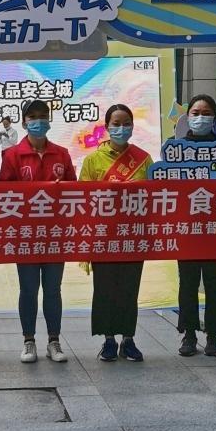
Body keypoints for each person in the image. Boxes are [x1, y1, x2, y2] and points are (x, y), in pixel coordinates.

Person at [0, 99, 76, 363]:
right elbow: (4, 194)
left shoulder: (62, 154)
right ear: (24, 122)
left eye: (43, 116)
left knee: (53, 289)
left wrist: (63, 188)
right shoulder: (12, 156)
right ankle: (28, 341)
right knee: (28, 289)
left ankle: (54, 341)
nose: (39, 121)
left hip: (55, 234)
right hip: (26, 235)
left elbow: (75, 191)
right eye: (33, 117)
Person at [80, 104, 152, 362]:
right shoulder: (93, 160)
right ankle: (109, 340)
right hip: (103, 235)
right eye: (116, 123)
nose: (121, 128)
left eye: (126, 123)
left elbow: (154, 195)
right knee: (105, 289)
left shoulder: (143, 158)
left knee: (129, 288)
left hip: (133, 234)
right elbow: (83, 198)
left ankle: (128, 340)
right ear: (107, 127)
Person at [175, 94, 216, 357]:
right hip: (187, 228)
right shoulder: (176, 149)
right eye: (195, 113)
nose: (200, 118)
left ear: (215, 117)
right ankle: (188, 334)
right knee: (187, 283)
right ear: (187, 117)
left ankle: (214, 334)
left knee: (214, 282)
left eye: (206, 113)